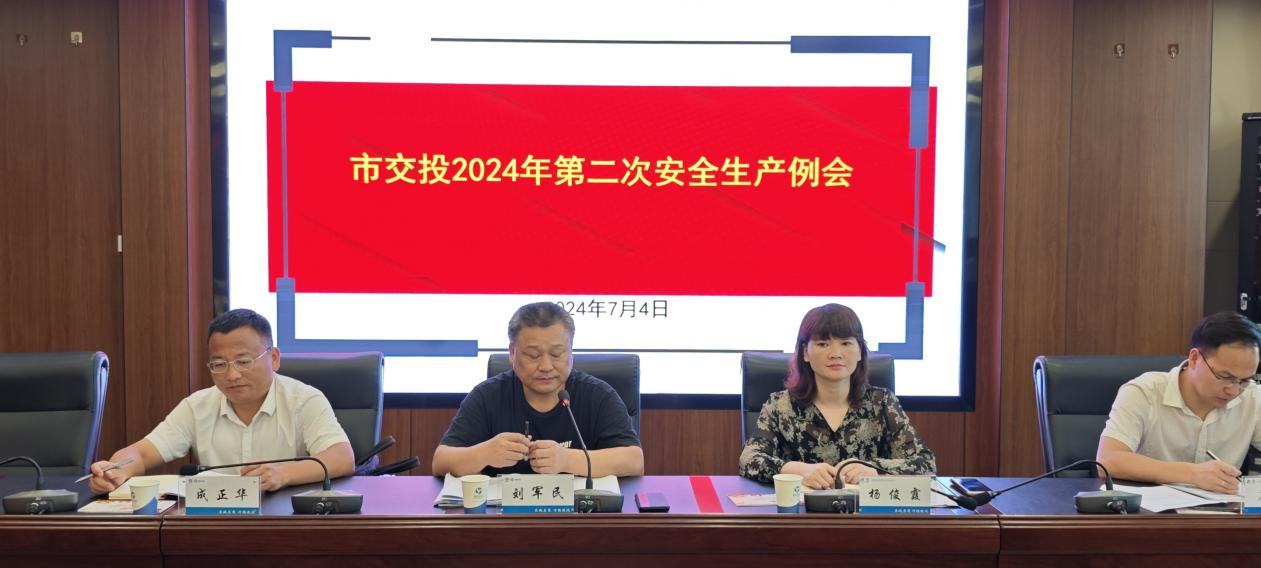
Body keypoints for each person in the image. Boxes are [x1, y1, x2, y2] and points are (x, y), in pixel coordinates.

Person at [88, 309, 354, 493]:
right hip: (213, 523)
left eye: (243, 361)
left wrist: (283, 474)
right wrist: (114, 470)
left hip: (285, 520)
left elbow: (341, 458)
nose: (232, 375)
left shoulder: (304, 400)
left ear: (273, 358)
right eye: (219, 364)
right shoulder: (198, 406)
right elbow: (141, 453)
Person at [433, 302, 643, 477]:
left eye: (556, 354)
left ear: (571, 351)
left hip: (578, 513)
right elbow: (441, 461)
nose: (545, 366)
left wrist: (567, 460)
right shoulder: (487, 396)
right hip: (504, 513)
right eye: (533, 355)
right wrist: (484, 453)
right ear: (512, 353)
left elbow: (634, 461)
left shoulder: (598, 395)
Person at [739, 303, 936, 489]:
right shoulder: (780, 405)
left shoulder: (882, 403)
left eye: (846, 343)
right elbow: (748, 459)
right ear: (805, 353)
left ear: (860, 351)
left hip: (865, 512)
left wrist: (875, 470)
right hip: (801, 511)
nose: (836, 353)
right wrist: (798, 470)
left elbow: (925, 463)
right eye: (823, 344)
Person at [1098, 311, 1261, 493]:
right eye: (1224, 377)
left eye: (1245, 380)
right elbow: (1108, 460)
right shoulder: (1144, 392)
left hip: (1222, 509)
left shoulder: (1253, 397)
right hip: (1150, 508)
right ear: (1194, 358)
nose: (1234, 390)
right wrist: (1192, 474)